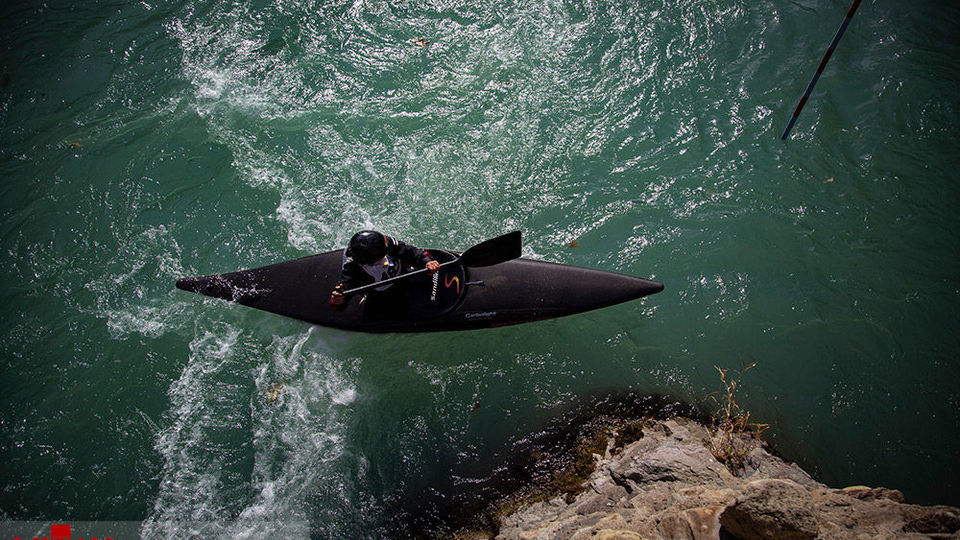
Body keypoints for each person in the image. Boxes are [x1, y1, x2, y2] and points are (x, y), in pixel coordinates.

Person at [329, 230, 440, 311]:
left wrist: (426, 261)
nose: (386, 254)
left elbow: (410, 251)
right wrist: (338, 301)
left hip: (404, 274)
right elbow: (342, 298)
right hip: (382, 295)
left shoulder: (385, 243)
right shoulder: (352, 270)